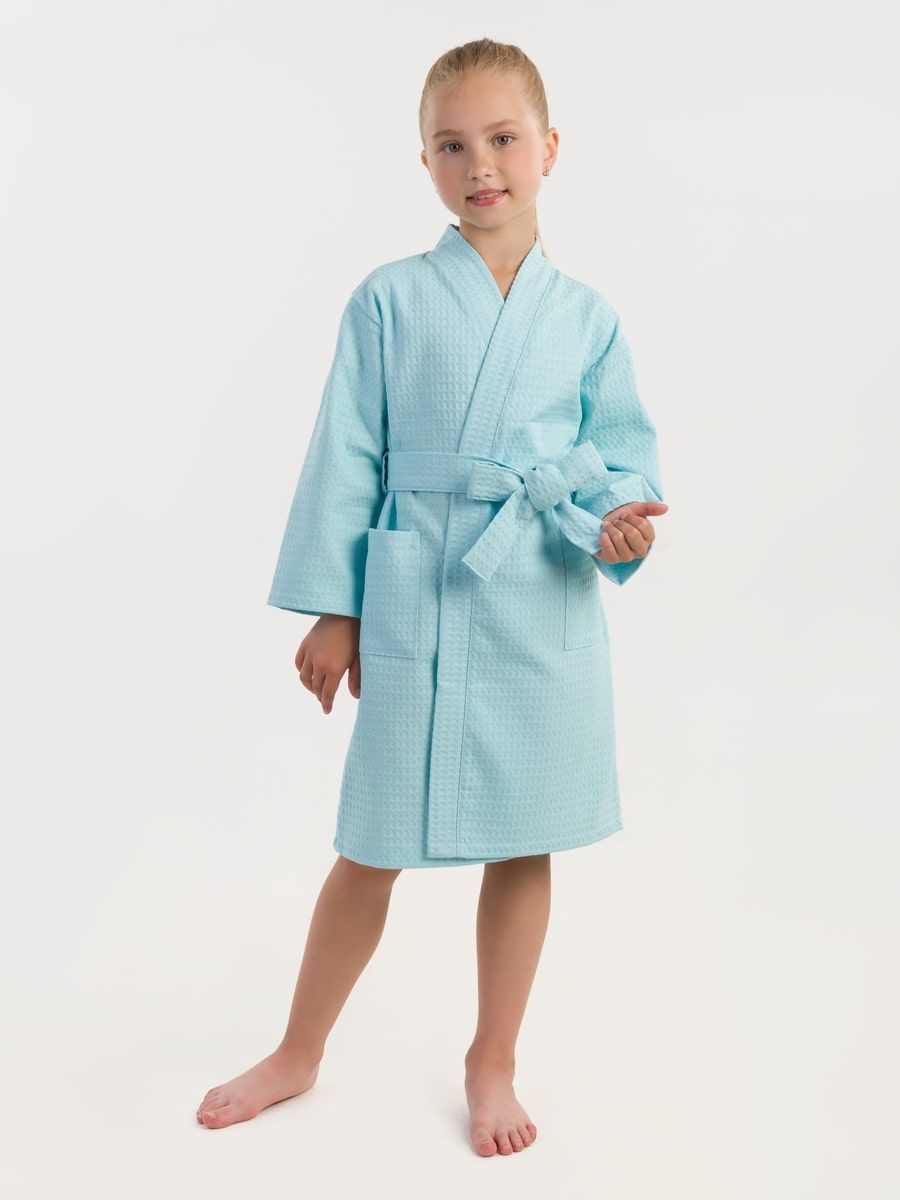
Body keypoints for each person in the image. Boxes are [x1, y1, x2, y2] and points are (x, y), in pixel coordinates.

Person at [196, 37, 668, 1156]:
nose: (480, 164)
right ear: (424, 163)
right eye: (453, 145)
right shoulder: (389, 300)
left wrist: (620, 522)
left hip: (539, 596)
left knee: (525, 841)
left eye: (503, 138)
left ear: (550, 148)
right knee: (371, 843)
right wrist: (337, 607)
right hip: (420, 592)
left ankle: (492, 1059)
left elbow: (621, 459)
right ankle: (299, 1049)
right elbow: (347, 453)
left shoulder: (587, 316)